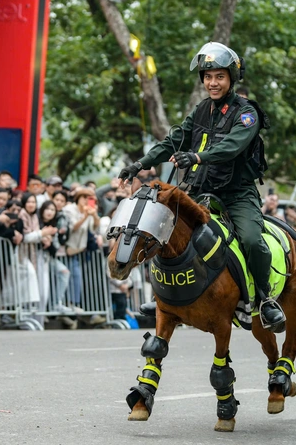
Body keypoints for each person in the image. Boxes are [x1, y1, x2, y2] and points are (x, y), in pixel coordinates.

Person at [117, 42, 283, 329]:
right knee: (160, 229)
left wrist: (196, 156)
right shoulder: (201, 110)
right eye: (208, 77)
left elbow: (232, 146)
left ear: (231, 78)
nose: (212, 82)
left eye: (219, 76)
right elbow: (173, 140)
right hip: (199, 190)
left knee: (253, 241)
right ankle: (163, 298)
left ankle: (265, 300)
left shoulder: (247, 113)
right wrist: (139, 164)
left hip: (236, 194)